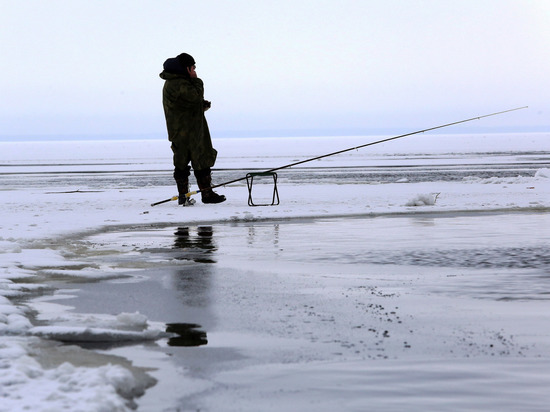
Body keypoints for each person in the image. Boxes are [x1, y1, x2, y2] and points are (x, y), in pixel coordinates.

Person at [159, 53, 226, 205]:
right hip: (188, 132)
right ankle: (201, 194)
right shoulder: (179, 83)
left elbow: (187, 105)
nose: (195, 70)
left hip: (184, 130)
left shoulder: (176, 83)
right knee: (195, 161)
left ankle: (188, 195)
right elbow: (194, 97)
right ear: (186, 68)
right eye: (193, 67)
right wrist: (197, 81)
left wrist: (202, 106)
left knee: (188, 162)